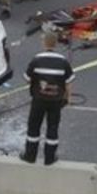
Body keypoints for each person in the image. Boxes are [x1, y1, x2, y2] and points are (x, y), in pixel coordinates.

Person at [21, 32, 74, 166]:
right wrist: (68, 98)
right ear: (56, 43)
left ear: (44, 43)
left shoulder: (36, 59)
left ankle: (30, 155)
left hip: (38, 100)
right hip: (56, 101)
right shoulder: (63, 61)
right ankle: (49, 158)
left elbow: (27, 79)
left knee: (33, 127)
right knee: (53, 127)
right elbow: (68, 83)